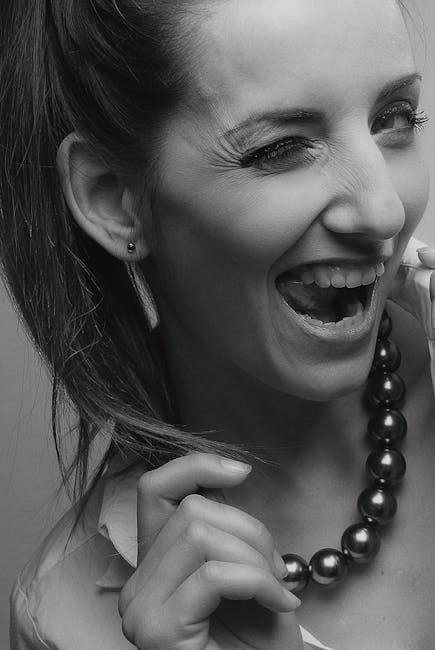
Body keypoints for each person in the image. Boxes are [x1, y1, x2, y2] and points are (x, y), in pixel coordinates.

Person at [2, 0, 435, 647]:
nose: (384, 212)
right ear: (114, 199)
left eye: (393, 118)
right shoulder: (63, 621)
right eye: (282, 147)